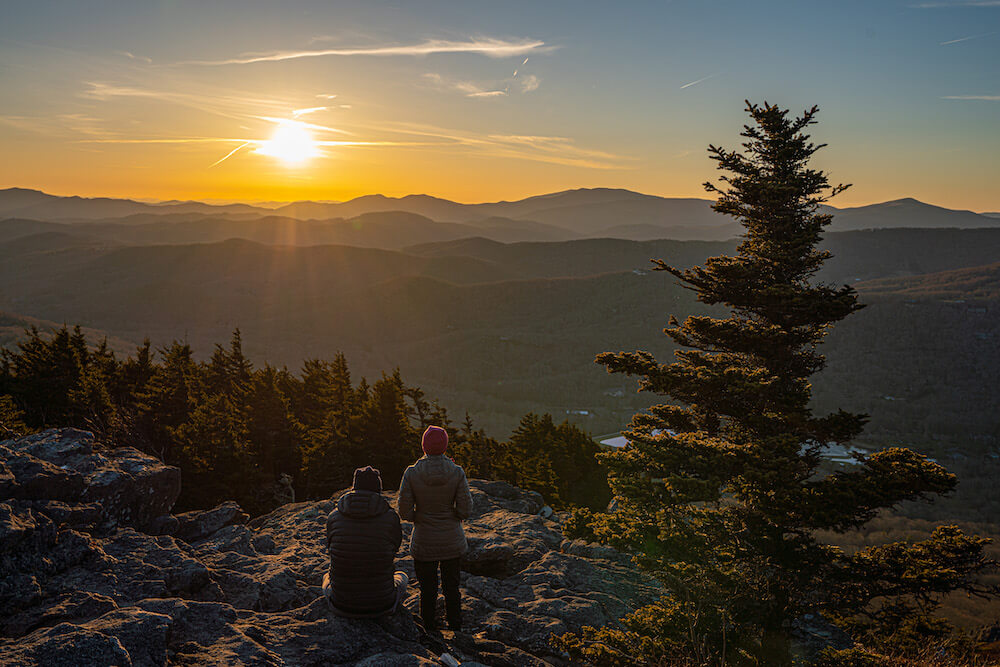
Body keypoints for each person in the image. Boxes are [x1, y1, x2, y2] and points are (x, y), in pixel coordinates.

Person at [398, 426, 473, 633]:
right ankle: (456, 627)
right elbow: (466, 509)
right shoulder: (456, 472)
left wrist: (419, 518)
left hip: (423, 540)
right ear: (445, 446)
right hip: (452, 540)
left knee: (427, 589)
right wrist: (453, 517)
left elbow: (404, 511)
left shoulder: (412, 473)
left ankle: (429, 628)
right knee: (452, 588)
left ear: (424, 446)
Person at [323, 466, 408, 617]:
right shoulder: (390, 517)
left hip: (341, 604)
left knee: (325, 577)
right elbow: (394, 548)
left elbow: (330, 547)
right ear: (378, 489)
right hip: (382, 604)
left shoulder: (334, 516)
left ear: (354, 487)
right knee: (402, 576)